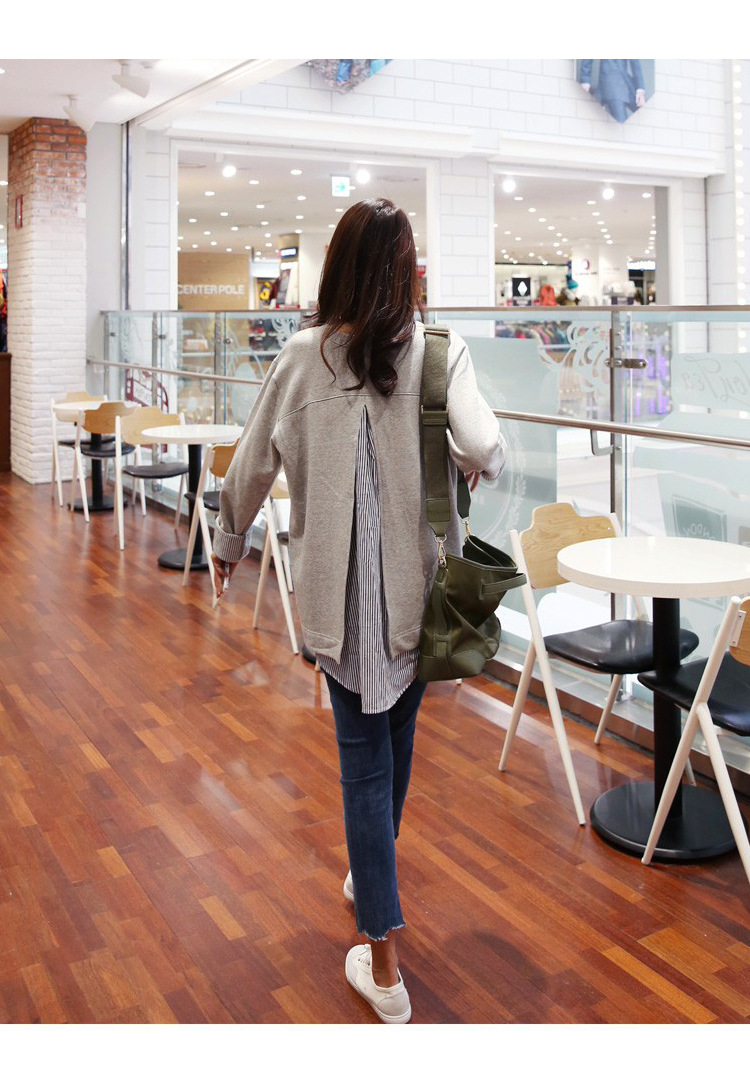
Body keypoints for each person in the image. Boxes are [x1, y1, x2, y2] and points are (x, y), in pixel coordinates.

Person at [210, 198, 505, 1024]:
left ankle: (384, 961)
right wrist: (469, 462)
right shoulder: (438, 352)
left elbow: (252, 458)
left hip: (336, 608)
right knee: (392, 751)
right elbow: (483, 446)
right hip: (417, 599)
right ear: (407, 272)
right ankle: (372, 879)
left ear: (337, 266)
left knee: (367, 771)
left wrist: (228, 542)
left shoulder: (303, 355)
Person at [579, 60, 647, 123]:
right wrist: (585, 79)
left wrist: (640, 89)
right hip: (611, 84)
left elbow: (634, 61)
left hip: (626, 83)